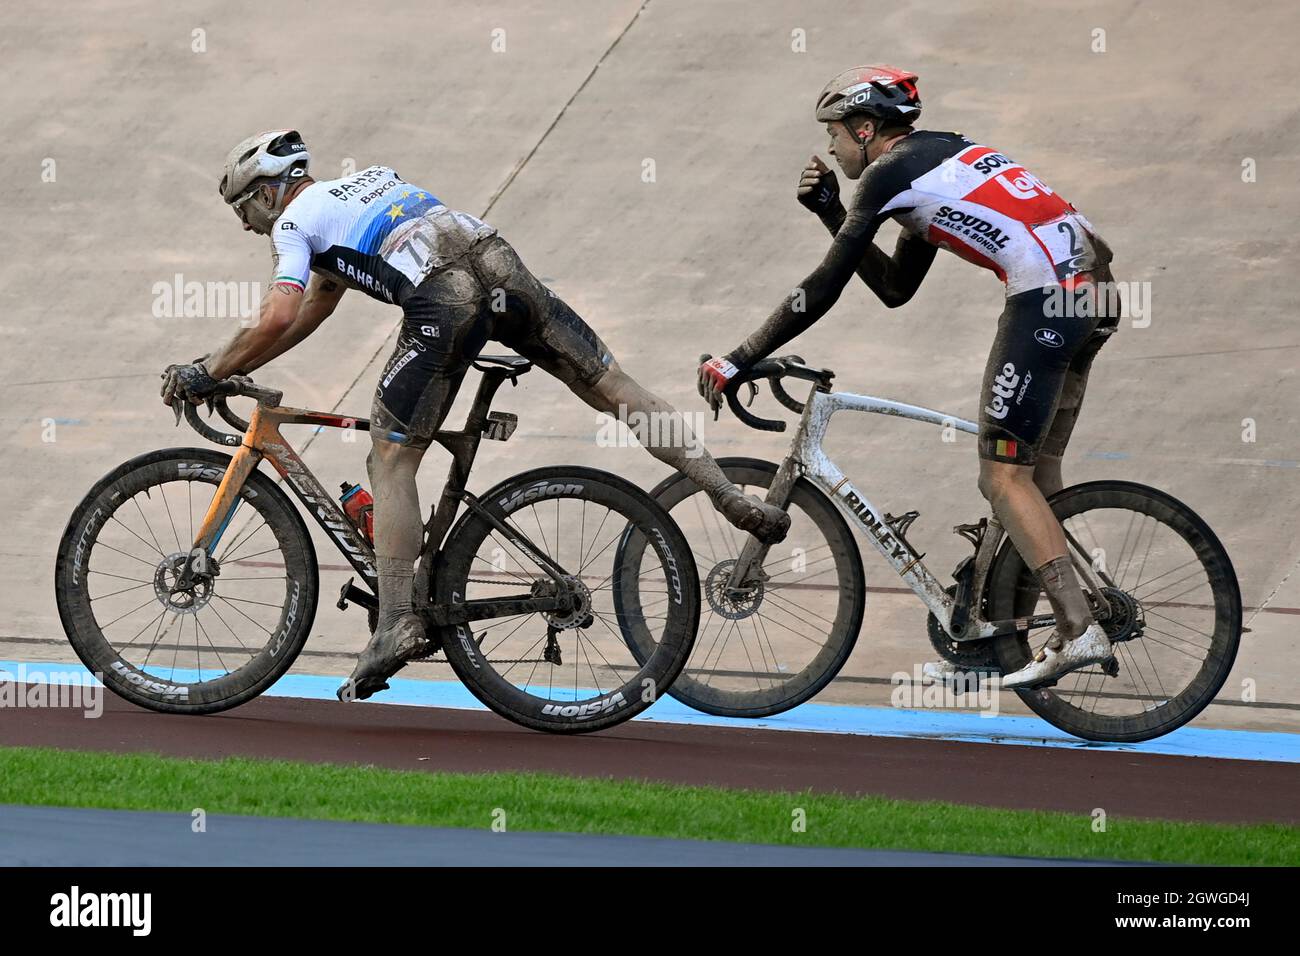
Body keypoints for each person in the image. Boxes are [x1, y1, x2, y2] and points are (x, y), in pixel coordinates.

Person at [161, 130, 788, 701]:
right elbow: (310, 312)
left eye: (242, 210)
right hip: (497, 261)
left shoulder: (294, 224)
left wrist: (204, 371)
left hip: (445, 295)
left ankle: (396, 620)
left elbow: (276, 313)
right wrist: (223, 364)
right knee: (610, 383)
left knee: (391, 457)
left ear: (266, 193)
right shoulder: (363, 184)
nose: (246, 226)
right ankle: (726, 493)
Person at [697, 67, 1121, 689]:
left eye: (834, 133)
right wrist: (832, 211)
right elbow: (896, 287)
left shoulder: (889, 174)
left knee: (1002, 477)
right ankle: (1015, 638)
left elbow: (821, 288)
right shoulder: (937, 159)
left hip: (1047, 300)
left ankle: (1078, 628)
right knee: (1034, 478)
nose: (831, 147)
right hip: (1094, 292)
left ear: (865, 129)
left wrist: (738, 356)